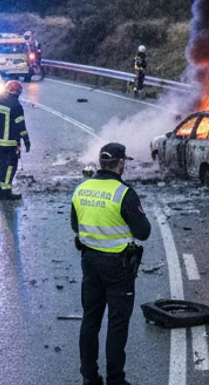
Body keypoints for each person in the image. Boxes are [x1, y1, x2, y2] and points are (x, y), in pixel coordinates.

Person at [72, 143, 152, 385]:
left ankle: (89, 377)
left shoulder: (81, 189)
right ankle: (115, 379)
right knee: (117, 323)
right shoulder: (124, 193)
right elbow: (143, 232)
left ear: (100, 163)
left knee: (91, 319)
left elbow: (76, 227)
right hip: (119, 266)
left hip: (90, 263)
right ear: (120, 164)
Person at [0, 79, 31, 201]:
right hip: (11, 143)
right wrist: (26, 141)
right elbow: (21, 126)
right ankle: (6, 192)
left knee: (2, 165)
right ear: (17, 93)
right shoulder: (16, 106)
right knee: (11, 167)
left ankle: (0, 191)